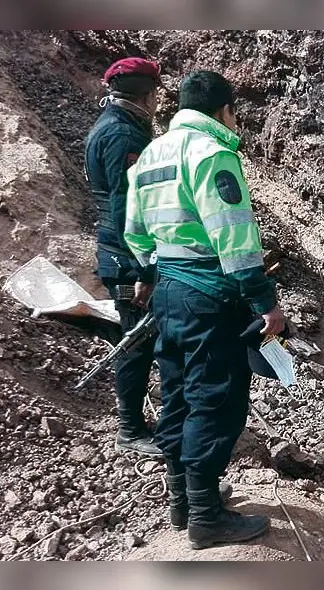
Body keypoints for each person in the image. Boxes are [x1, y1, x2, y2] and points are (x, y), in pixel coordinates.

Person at [123, 70, 287, 549]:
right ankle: (207, 518)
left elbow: (134, 230)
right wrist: (265, 304)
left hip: (169, 291)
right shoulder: (214, 154)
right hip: (209, 296)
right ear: (225, 110)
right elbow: (234, 238)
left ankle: (184, 501)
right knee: (214, 400)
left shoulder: (151, 154)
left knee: (175, 392)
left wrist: (155, 274)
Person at [83, 57, 163, 457]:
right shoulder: (124, 135)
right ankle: (130, 429)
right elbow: (124, 206)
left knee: (140, 339)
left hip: (118, 248)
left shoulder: (114, 126)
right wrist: (143, 268)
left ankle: (140, 422)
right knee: (136, 341)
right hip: (124, 253)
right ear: (148, 94)